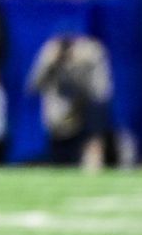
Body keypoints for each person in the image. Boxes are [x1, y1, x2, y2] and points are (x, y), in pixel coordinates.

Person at [28, 34, 113, 170]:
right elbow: (33, 87)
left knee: (96, 112)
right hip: (60, 120)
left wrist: (85, 65)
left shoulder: (90, 54)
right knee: (61, 161)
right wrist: (48, 63)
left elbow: (102, 92)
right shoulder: (50, 55)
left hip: (85, 112)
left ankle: (93, 164)